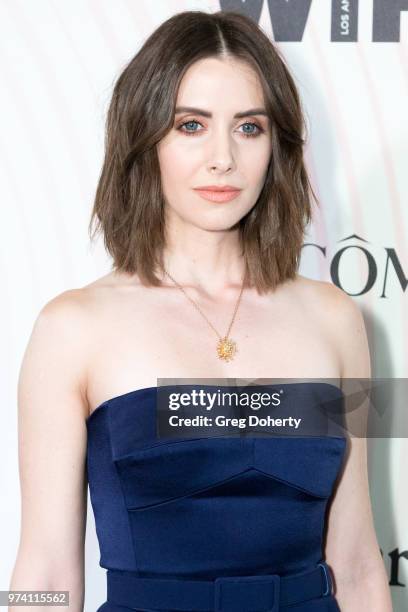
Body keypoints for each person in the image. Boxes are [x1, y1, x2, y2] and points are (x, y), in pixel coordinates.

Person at [9, 9, 392, 612]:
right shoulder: (73, 329)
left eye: (249, 128)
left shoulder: (336, 320)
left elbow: (360, 563)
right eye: (191, 125)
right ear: (146, 137)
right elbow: (46, 566)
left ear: (277, 144)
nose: (223, 159)